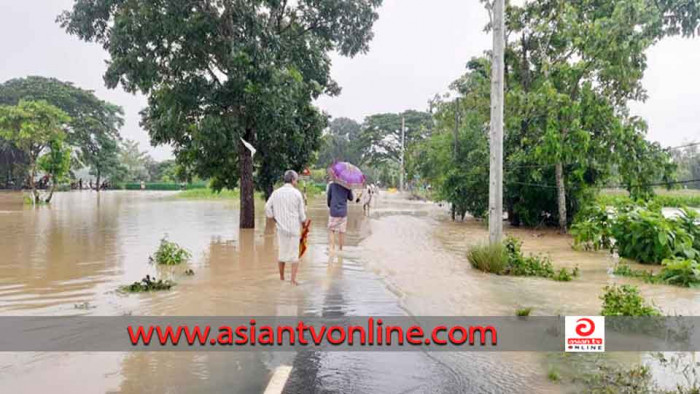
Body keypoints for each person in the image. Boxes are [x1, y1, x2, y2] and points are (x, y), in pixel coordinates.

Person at [265, 170, 307, 286]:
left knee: (282, 254)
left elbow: (267, 207)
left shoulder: (276, 193)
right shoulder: (297, 193)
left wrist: (274, 219)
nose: (297, 181)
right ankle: (293, 280)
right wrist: (304, 227)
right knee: (294, 255)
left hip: (281, 228)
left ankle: (282, 278)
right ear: (293, 180)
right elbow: (302, 215)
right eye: (296, 179)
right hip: (294, 228)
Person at [327, 181, 353, 252]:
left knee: (331, 230)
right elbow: (351, 198)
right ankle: (340, 249)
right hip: (343, 213)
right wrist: (349, 188)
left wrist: (330, 206)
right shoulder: (347, 185)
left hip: (333, 212)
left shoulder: (332, 185)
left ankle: (332, 249)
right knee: (342, 231)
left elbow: (329, 198)